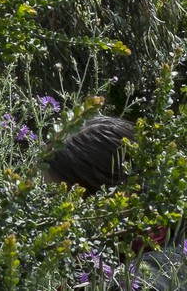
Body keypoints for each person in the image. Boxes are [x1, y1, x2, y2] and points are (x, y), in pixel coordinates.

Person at [45, 115, 187, 290]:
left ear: (123, 192)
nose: (55, 216)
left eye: (64, 200)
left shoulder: (151, 277)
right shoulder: (109, 252)